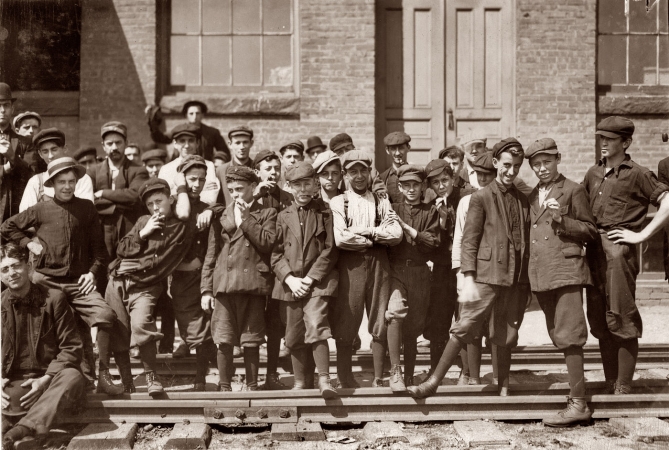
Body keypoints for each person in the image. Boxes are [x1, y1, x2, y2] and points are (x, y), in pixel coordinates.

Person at [408, 138, 530, 399]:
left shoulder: (521, 199)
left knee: (504, 332)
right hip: (485, 277)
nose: (511, 172)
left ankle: (504, 386)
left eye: (517, 167)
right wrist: (469, 277)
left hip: (511, 277)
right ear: (496, 163)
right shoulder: (480, 197)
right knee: (464, 327)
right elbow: (469, 242)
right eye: (507, 165)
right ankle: (433, 382)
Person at [1, 157, 122, 395]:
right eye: (62, 182)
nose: (67, 186)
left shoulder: (86, 208)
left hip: (78, 283)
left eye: (71, 181)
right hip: (45, 281)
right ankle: (37, 374)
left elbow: (99, 251)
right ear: (52, 184)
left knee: (106, 315)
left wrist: (92, 273)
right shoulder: (41, 209)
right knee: (41, 318)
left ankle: (104, 375)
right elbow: (6, 227)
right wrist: (28, 243)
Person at [583, 116, 669, 395]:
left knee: (620, 316)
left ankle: (623, 387)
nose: (603, 143)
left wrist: (641, 235)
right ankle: (610, 382)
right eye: (601, 138)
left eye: (610, 138)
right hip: (594, 253)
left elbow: (667, 202)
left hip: (619, 254)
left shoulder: (638, 173)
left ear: (626, 142)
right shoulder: (593, 173)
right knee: (598, 319)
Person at [525, 138, 598, 426]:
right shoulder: (532, 194)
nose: (542, 169)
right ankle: (576, 395)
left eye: (547, 162)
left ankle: (579, 403)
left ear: (558, 159)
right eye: (536, 165)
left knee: (570, 335)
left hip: (566, 271)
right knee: (558, 333)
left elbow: (590, 230)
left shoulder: (573, 189)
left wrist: (561, 219)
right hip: (542, 274)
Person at [103, 177, 194, 395]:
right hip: (117, 281)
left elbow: (188, 212)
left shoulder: (181, 226)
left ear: (171, 199)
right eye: (151, 204)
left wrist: (181, 187)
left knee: (141, 325)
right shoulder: (144, 220)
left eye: (159, 201)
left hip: (145, 286)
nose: (155, 208)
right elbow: (122, 249)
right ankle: (127, 381)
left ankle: (152, 376)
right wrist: (143, 233)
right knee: (119, 330)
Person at [1, 243, 86, 450]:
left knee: (73, 377)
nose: (12, 273)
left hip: (51, 380)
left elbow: (72, 347)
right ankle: (30, 437)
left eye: (16, 266)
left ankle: (18, 431)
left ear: (29, 266)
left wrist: (45, 380)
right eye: (5, 269)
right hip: (17, 384)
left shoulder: (54, 299)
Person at [330, 150, 402, 388]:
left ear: (371, 172)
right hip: (351, 266)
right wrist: (374, 239)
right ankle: (345, 378)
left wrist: (368, 232)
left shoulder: (381, 200)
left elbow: (396, 234)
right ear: (345, 175)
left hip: (379, 265)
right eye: (353, 172)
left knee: (380, 319)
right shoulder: (339, 202)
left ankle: (379, 377)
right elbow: (341, 238)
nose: (359, 176)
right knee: (347, 319)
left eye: (363, 171)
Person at [201, 165, 277, 391]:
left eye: (240, 189)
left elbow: (266, 243)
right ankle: (224, 387)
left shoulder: (267, 213)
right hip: (224, 285)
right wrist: (206, 289)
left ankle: (252, 386)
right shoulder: (221, 215)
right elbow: (211, 255)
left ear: (254, 188)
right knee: (223, 338)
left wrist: (246, 220)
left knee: (251, 339)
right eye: (232, 190)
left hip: (252, 285)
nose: (235, 194)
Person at [271, 161, 339, 398]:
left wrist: (310, 279)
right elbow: (275, 253)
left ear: (315, 184)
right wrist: (289, 278)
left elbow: (330, 250)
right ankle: (300, 382)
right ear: (288, 187)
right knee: (294, 333)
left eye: (307, 183)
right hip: (290, 286)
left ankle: (324, 380)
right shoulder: (282, 217)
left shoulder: (325, 213)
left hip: (317, 283)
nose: (302, 190)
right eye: (296, 184)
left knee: (317, 324)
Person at [168, 156, 221, 390]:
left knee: (205, 325)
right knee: (191, 330)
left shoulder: (204, 208)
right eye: (192, 179)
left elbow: (222, 210)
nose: (197, 184)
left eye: (201, 179)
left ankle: (201, 378)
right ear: (182, 178)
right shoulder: (172, 206)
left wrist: (213, 209)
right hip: (179, 278)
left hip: (202, 276)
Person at [385, 165, 440, 391]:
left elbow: (433, 242)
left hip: (419, 271)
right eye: (406, 185)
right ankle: (395, 372)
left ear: (423, 187)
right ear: (399, 187)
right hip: (396, 271)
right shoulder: (393, 208)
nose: (410, 189)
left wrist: (410, 230)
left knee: (414, 326)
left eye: (415, 185)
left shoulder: (430, 212)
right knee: (396, 313)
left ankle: (408, 376)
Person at [451, 152, 496, 385]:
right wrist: (460, 273)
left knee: (495, 325)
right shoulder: (466, 202)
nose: (483, 180)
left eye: (489, 175)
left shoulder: (501, 199)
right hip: (471, 270)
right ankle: (471, 374)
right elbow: (460, 238)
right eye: (479, 175)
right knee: (470, 323)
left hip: (495, 271)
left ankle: (498, 377)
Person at [253, 149, 294, 389]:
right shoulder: (250, 196)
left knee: (277, 324)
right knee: (255, 324)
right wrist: (253, 198)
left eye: (276, 169)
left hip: (280, 268)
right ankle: (253, 378)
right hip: (256, 269)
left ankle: (272, 375)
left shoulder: (287, 198)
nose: (273, 173)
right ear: (257, 172)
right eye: (268, 169)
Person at [87, 121, 149, 262]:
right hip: (101, 230)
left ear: (126, 143)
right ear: (103, 145)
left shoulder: (138, 170)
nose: (114, 147)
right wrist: (121, 202)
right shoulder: (92, 172)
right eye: (109, 143)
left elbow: (135, 197)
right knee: (102, 269)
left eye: (118, 143)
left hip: (129, 229)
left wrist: (102, 193)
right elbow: (89, 201)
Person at [421, 159, 460, 377]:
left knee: (464, 319)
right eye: (436, 183)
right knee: (438, 319)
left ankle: (468, 371)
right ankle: (436, 370)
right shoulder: (431, 205)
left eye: (445, 180)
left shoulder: (464, 198)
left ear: (453, 178)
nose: (441, 186)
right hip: (442, 268)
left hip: (463, 268)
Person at [19, 129, 94, 212]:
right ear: (40, 154)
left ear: (65, 148)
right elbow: (25, 217)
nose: (50, 156)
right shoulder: (36, 182)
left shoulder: (82, 179)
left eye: (54, 149)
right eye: (45, 151)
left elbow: (86, 213)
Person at [147, 100, 230, 162]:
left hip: (204, 168)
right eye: (191, 113)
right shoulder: (178, 130)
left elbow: (223, 151)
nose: (194, 116)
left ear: (202, 115)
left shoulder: (212, 132)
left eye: (197, 113)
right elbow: (162, 138)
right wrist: (153, 124)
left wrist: (218, 160)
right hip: (180, 167)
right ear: (186, 115)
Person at [158, 124, 220, 205]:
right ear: (175, 144)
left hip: (201, 213)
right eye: (182, 141)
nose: (187, 145)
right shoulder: (166, 169)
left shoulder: (208, 165)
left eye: (191, 140)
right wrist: (202, 189)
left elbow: (210, 198)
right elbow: (163, 197)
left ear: (197, 143)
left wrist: (174, 190)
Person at [0, 84, 33, 223]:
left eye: (6, 105)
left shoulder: (25, 142)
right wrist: (4, 169)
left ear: (12, 109)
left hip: (14, 211)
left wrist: (13, 158)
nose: (2, 110)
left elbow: (33, 175)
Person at [216, 126, 255, 207]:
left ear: (251, 143)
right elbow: (217, 202)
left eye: (245, 142)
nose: (242, 147)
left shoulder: (257, 169)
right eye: (237, 143)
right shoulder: (221, 171)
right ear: (230, 144)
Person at [377, 132, 411, 204]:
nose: (397, 153)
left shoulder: (417, 175)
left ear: (408, 148)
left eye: (401, 148)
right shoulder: (382, 178)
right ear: (387, 150)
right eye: (393, 149)